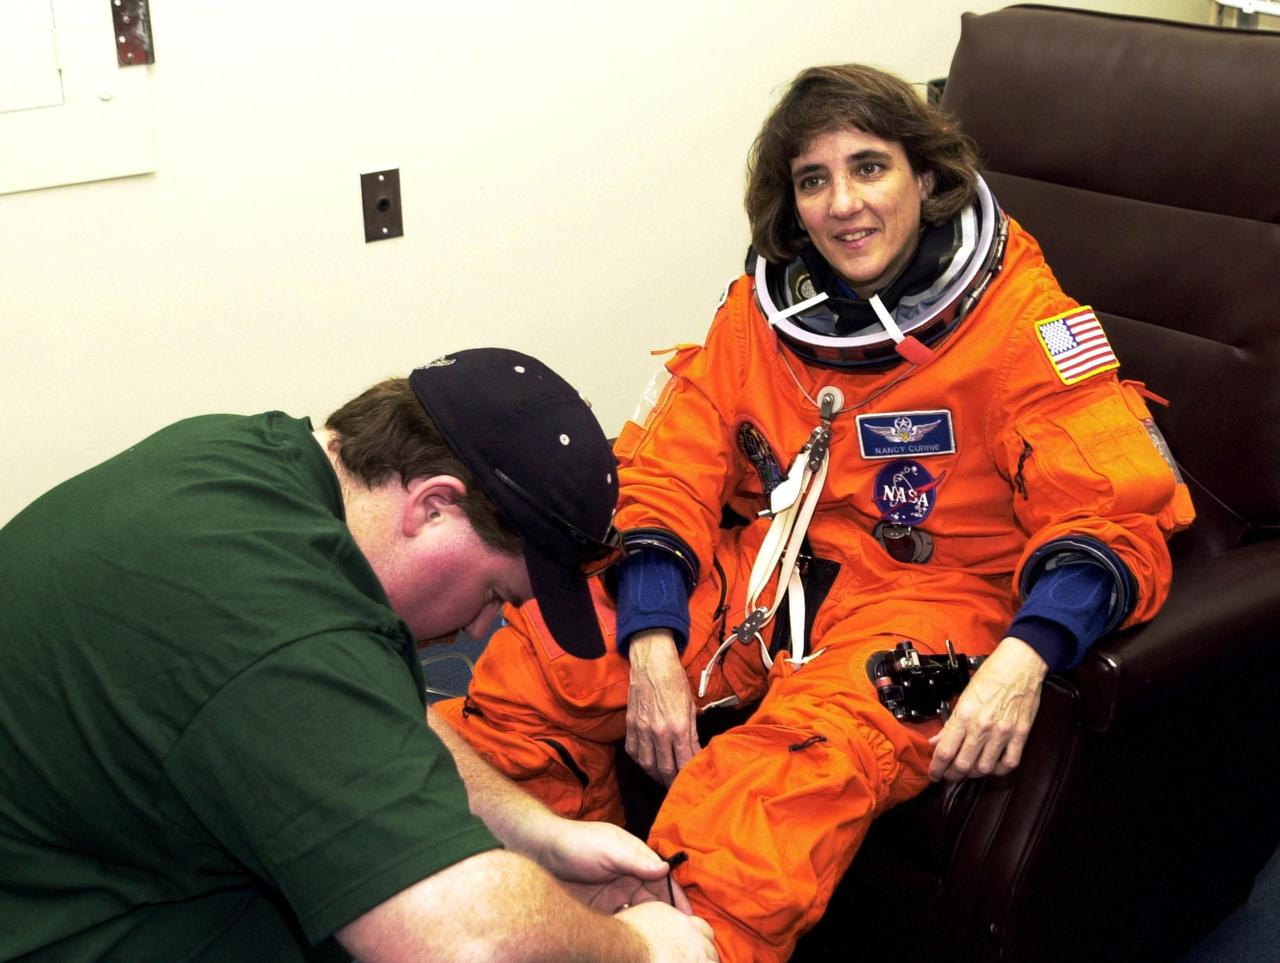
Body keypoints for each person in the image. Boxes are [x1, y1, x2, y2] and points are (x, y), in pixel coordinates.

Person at [433, 65, 1196, 962]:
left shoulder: (1020, 322)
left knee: (766, 797)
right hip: (772, 563)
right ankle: (543, 913)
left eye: (869, 167)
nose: (843, 205)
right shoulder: (766, 312)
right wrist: (650, 636)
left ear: (926, 176)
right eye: (813, 179)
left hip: (933, 597)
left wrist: (1027, 656)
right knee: (545, 666)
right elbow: (669, 466)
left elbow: (1115, 511)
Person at [0, 348, 719, 963]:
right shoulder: (276, 623)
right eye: (495, 593)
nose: (480, 629)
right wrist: (641, 947)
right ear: (433, 506)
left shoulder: (250, 464)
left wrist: (538, 835)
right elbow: (464, 941)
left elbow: (368, 713)